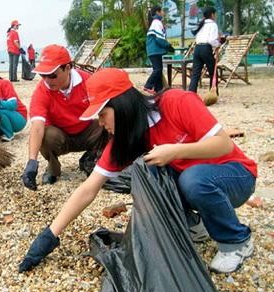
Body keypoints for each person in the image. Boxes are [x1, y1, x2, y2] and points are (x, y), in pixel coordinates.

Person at [19, 68, 257, 274]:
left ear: (122, 105)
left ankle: (236, 241)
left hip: (234, 175)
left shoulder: (176, 101)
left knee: (192, 180)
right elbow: (88, 188)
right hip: (194, 183)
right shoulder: (128, 137)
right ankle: (195, 225)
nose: (100, 123)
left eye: (102, 114)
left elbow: (223, 144)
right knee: (147, 175)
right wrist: (50, 235)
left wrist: (174, 151)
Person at [21, 44, 106, 190]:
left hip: (86, 130)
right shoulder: (42, 90)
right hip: (60, 136)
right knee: (45, 135)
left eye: (52, 75)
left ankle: (93, 157)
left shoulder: (87, 81)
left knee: (111, 126)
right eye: (43, 75)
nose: (47, 80)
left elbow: (105, 109)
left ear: (68, 68)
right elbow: (37, 127)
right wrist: (32, 162)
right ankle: (53, 168)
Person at [188, 7, 221, 93]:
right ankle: (213, 93)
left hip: (197, 49)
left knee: (195, 74)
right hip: (206, 49)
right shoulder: (213, 25)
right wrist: (218, 44)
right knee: (213, 71)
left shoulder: (201, 24)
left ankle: (191, 94)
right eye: (215, 14)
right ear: (212, 15)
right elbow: (211, 40)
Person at [143, 5, 174, 94]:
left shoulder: (155, 22)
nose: (163, 13)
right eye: (162, 11)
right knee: (158, 70)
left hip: (154, 51)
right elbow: (159, 38)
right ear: (157, 12)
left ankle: (158, 91)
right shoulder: (156, 22)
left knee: (158, 71)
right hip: (154, 50)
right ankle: (148, 85)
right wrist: (168, 46)